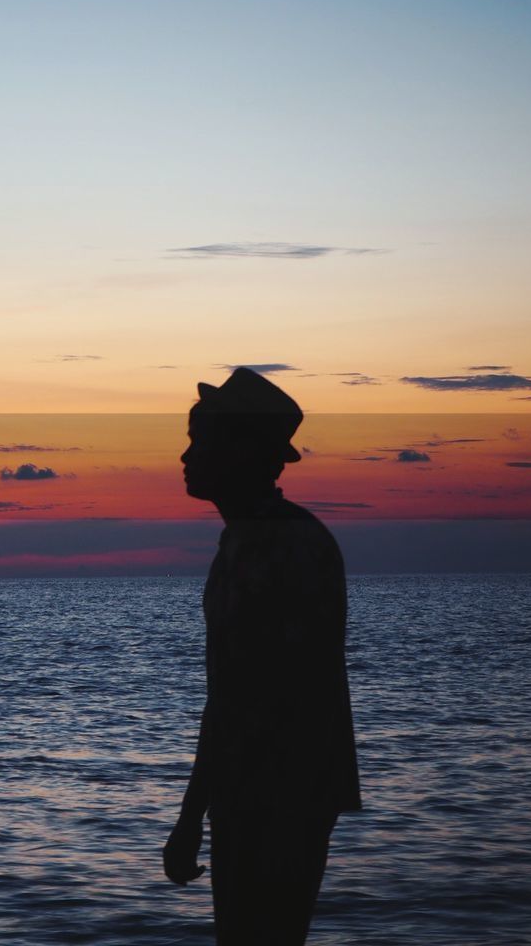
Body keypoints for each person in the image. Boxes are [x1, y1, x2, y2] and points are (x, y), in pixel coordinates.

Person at [162, 367, 361, 945]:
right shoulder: (249, 539)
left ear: (243, 451)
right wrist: (199, 811)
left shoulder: (281, 545)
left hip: (278, 793)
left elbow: (242, 697)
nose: (187, 455)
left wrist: (188, 817)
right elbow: (228, 695)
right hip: (258, 788)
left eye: (201, 440)